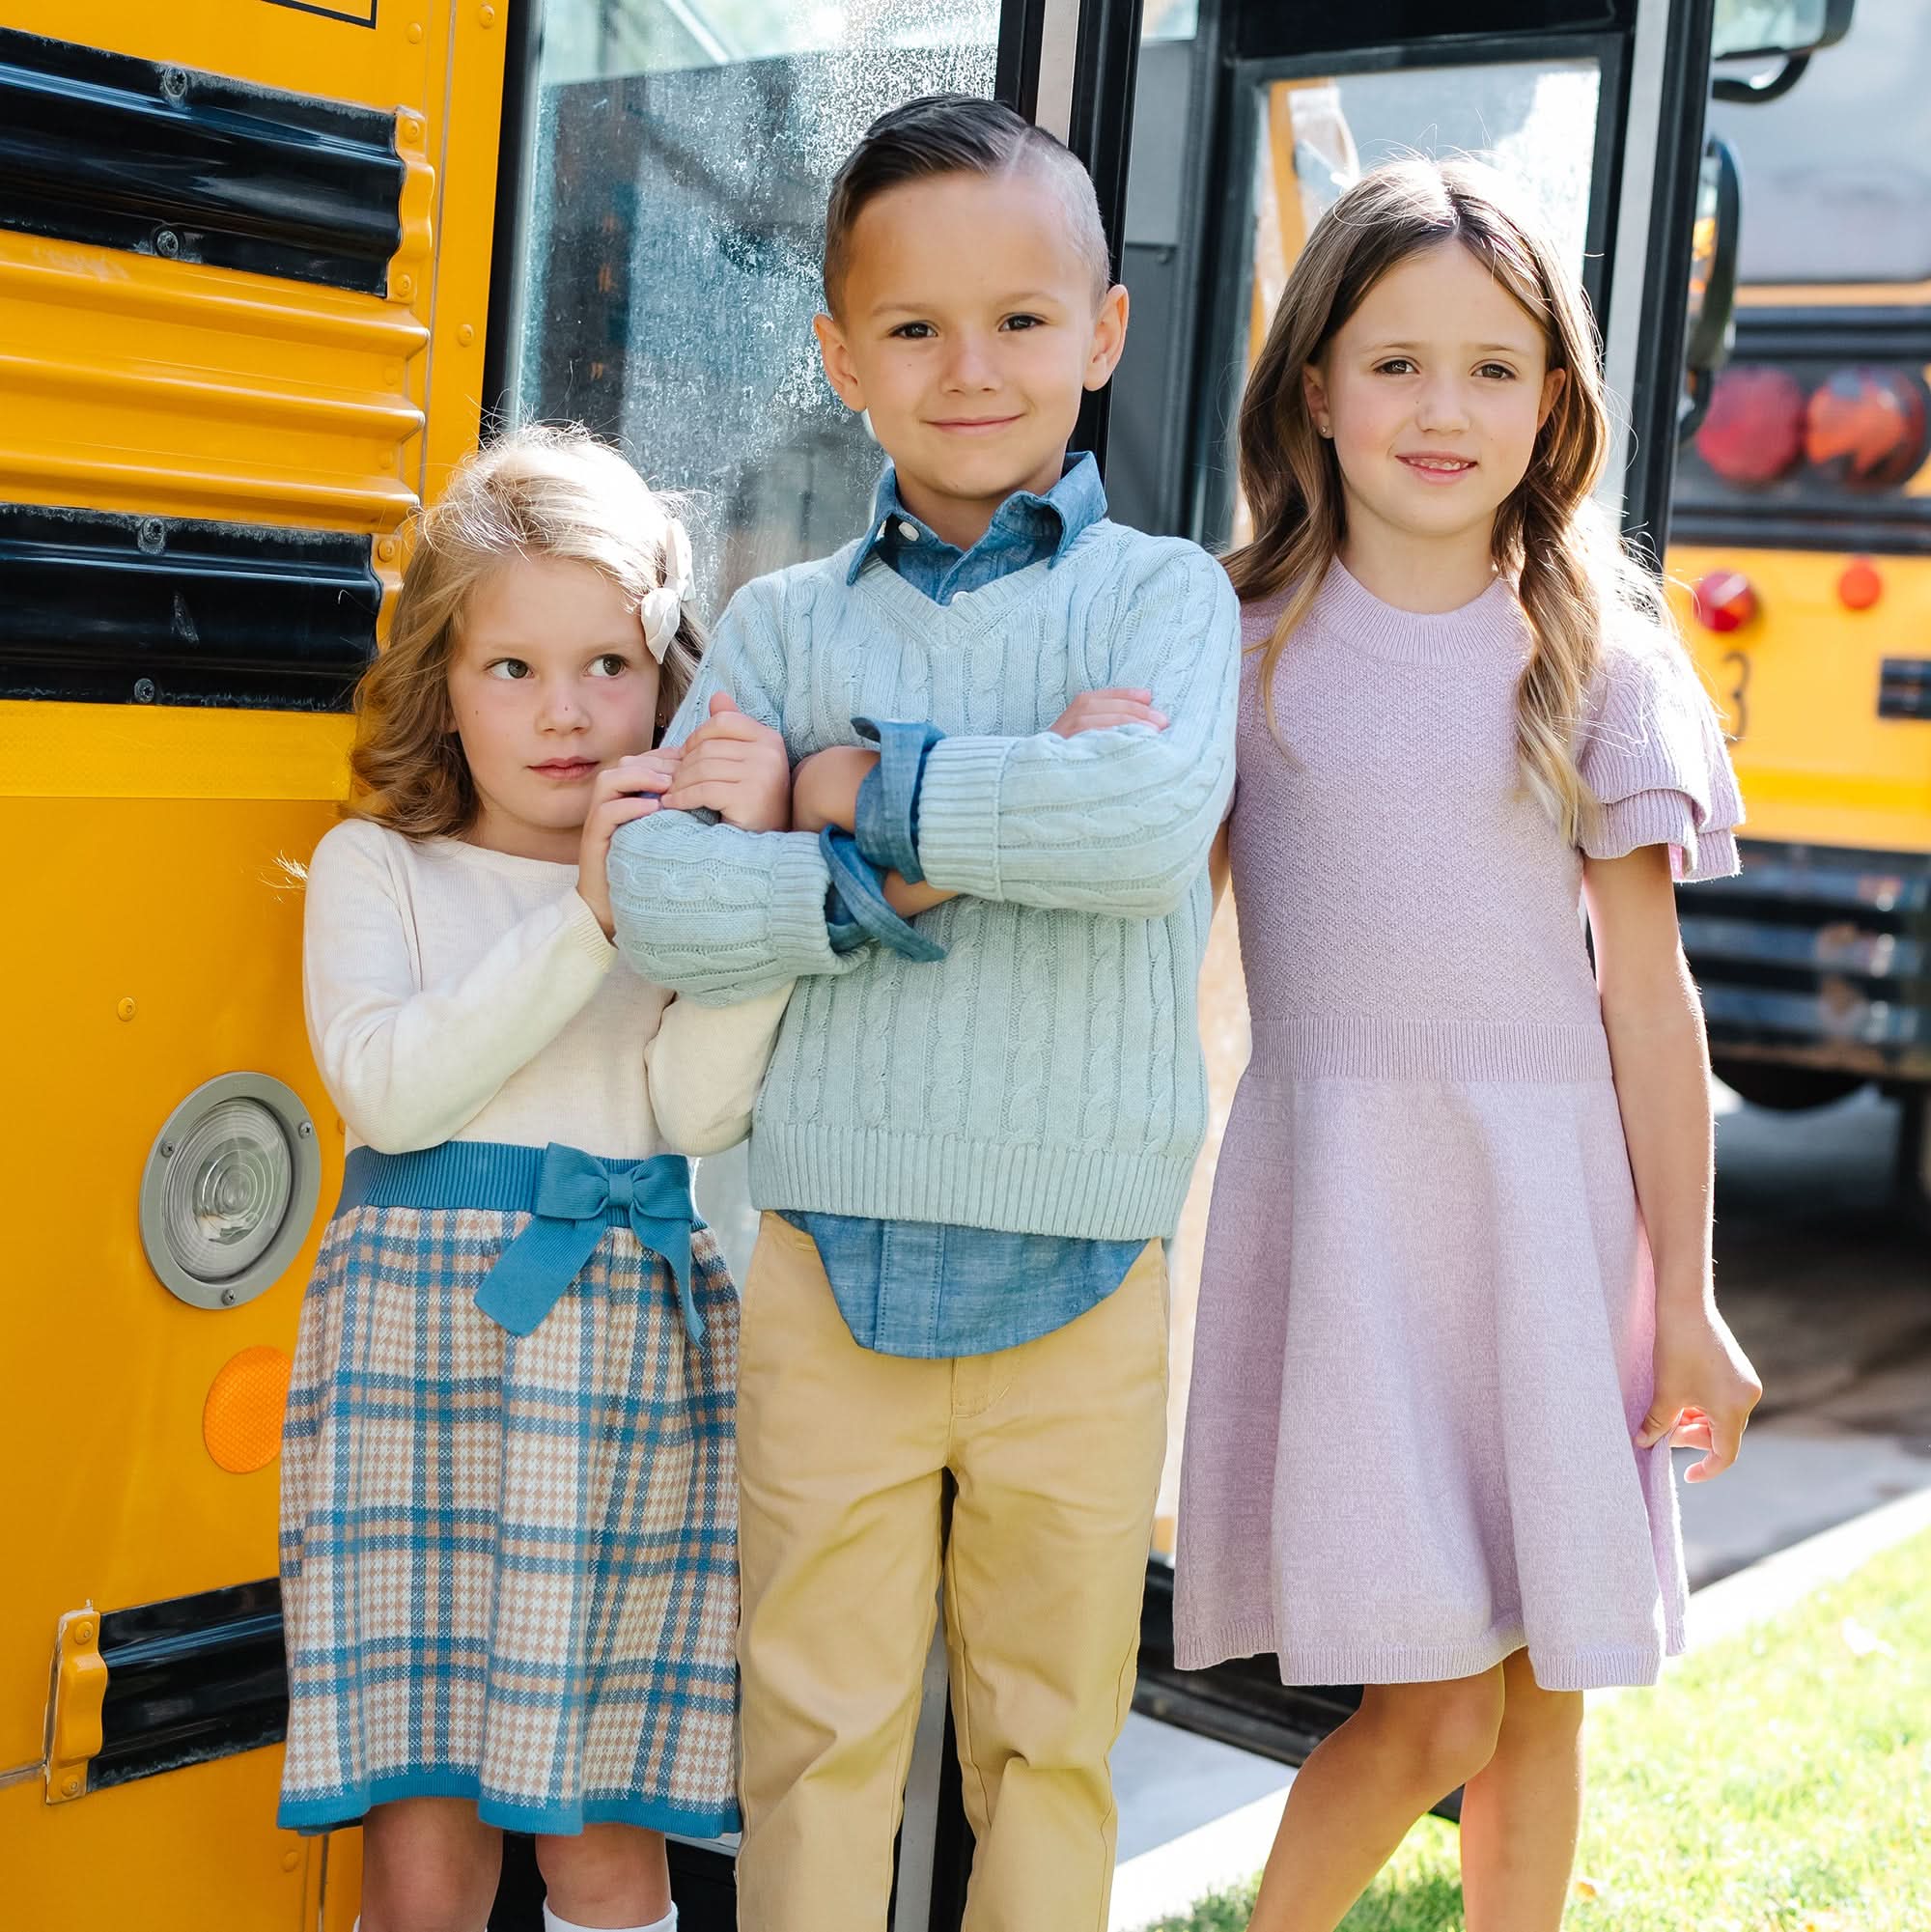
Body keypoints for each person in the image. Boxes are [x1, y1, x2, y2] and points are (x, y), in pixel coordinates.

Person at [608, 93, 1241, 1932]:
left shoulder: (1167, 599)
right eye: (912, 327)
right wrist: (954, 829)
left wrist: (835, 790)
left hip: (1087, 1270)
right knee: (813, 1730)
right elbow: (660, 889)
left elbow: (1135, 832)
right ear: (837, 356)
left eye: (1024, 320)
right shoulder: (785, 622)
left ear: (1104, 334)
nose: (972, 369)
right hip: (824, 1255)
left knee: (1048, 1743)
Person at [1174, 157, 1764, 1932]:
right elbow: (1142, 936)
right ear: (1312, 390)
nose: (1444, 409)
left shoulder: (1592, 647)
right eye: (1397, 361)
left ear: (1557, 401)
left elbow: (1650, 1004)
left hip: (1550, 1220)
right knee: (1424, 1693)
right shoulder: (1236, 632)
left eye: (1494, 368)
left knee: (1535, 1689)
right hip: (1348, 1213)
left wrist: (1694, 1292)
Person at [278, 426, 790, 1932]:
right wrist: (585, 914)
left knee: (607, 1840)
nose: (566, 714)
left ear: (663, 676)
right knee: (425, 1843)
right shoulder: (381, 867)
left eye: (607, 667)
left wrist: (747, 894)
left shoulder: (673, 880)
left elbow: (692, 1109)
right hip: (411, 1364)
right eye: (513, 669)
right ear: (443, 678)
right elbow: (393, 1087)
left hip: (629, 1365)